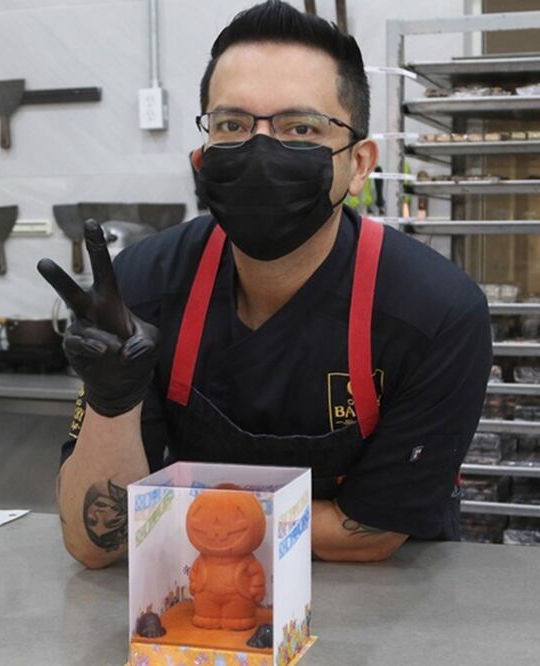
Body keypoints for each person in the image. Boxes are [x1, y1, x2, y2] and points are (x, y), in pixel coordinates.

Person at [39, 0, 492, 569]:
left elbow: (372, 535)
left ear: (358, 164)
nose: (259, 149)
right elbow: (94, 543)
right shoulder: (143, 287)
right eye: (232, 125)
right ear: (202, 155)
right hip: (192, 599)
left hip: (383, 611)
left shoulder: (435, 314)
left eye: (299, 128)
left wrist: (180, 517)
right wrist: (112, 401)